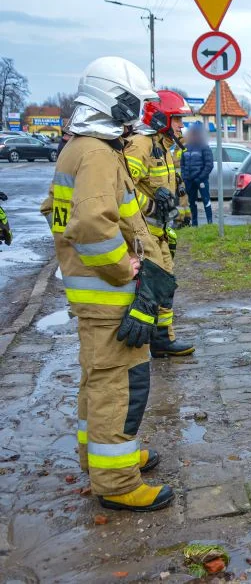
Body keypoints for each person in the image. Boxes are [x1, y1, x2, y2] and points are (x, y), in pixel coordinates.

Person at [40, 56, 175, 512]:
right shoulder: (97, 153)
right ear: (113, 102)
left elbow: (61, 211)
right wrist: (126, 269)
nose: (137, 114)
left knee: (98, 382)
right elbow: (94, 226)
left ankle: (98, 456)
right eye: (133, 103)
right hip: (109, 295)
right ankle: (117, 482)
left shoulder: (81, 147)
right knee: (119, 385)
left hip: (91, 297)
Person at [124, 90, 196, 358]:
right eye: (177, 119)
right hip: (143, 235)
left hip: (160, 233)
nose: (181, 125)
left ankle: (163, 340)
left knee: (165, 285)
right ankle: (147, 343)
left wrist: (181, 213)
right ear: (162, 118)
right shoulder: (141, 146)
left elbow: (172, 188)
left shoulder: (165, 148)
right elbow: (123, 188)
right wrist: (152, 205)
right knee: (153, 287)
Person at [179, 121, 214, 226]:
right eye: (192, 133)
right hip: (189, 180)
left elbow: (209, 165)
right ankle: (194, 224)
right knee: (192, 203)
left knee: (206, 201)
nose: (194, 135)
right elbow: (183, 164)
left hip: (201, 180)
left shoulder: (204, 147)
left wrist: (200, 177)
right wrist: (185, 177)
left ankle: (210, 223)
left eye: (196, 133)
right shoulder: (186, 147)